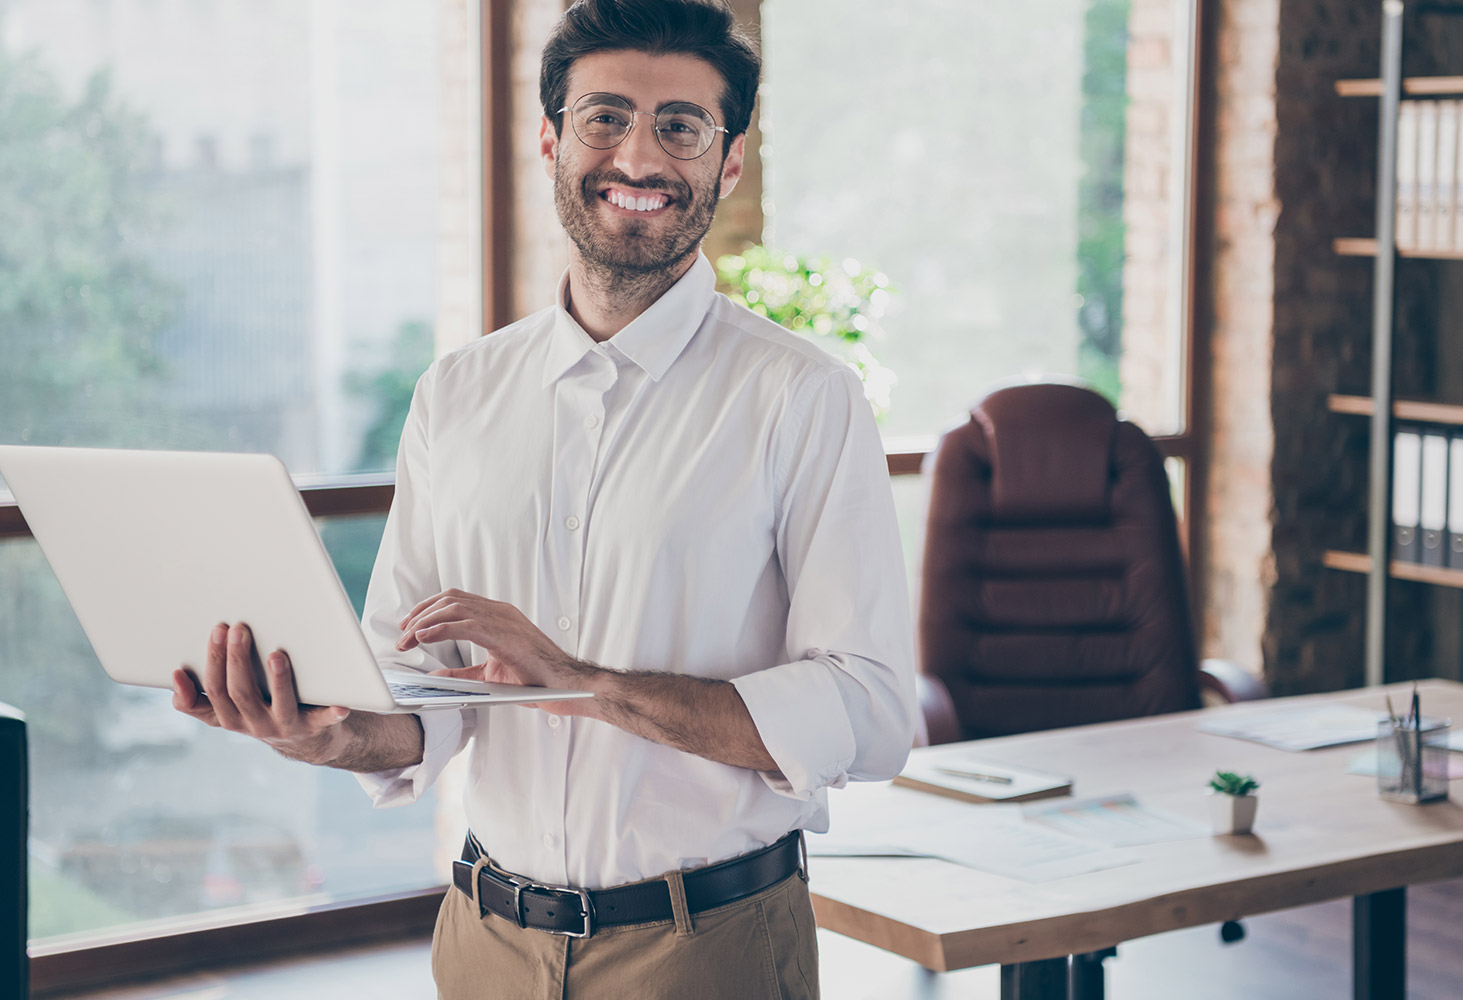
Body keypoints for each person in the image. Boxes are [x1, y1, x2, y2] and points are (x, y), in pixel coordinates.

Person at [169, 0, 916, 996]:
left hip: (707, 949)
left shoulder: (801, 398)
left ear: (727, 162)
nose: (639, 157)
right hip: (485, 938)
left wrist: (581, 680)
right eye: (604, 117)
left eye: (679, 126)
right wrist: (328, 733)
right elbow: (418, 688)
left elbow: (868, 712)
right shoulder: (458, 393)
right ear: (550, 140)